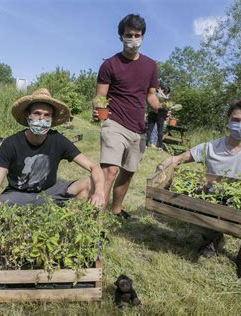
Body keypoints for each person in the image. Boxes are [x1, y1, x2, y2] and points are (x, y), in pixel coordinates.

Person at [156, 98, 241, 282]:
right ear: (228, 120)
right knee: (194, 192)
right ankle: (212, 238)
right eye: (236, 119)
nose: (240, 125)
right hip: (213, 207)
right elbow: (178, 159)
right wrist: (165, 165)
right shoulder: (210, 147)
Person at [0, 88, 105, 238]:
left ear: (52, 120)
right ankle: (19, 225)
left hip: (49, 195)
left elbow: (94, 167)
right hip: (17, 197)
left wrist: (99, 192)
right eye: (37, 113)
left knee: (91, 183)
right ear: (28, 116)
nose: (42, 119)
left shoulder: (57, 140)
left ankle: (66, 227)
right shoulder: (11, 143)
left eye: (47, 115)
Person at [94, 13, 161, 219]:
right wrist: (98, 111)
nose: (133, 39)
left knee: (128, 172)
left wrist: (163, 107)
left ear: (143, 36)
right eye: (128, 35)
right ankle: (97, 219)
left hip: (137, 128)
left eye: (137, 34)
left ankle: (116, 211)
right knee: (110, 171)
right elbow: (100, 96)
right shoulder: (110, 65)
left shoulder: (150, 66)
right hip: (114, 123)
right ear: (121, 36)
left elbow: (151, 96)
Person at [146, 82, 171, 149]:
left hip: (153, 113)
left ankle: (148, 144)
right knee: (158, 130)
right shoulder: (159, 95)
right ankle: (159, 146)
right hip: (159, 114)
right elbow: (166, 100)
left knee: (151, 130)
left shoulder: (153, 93)